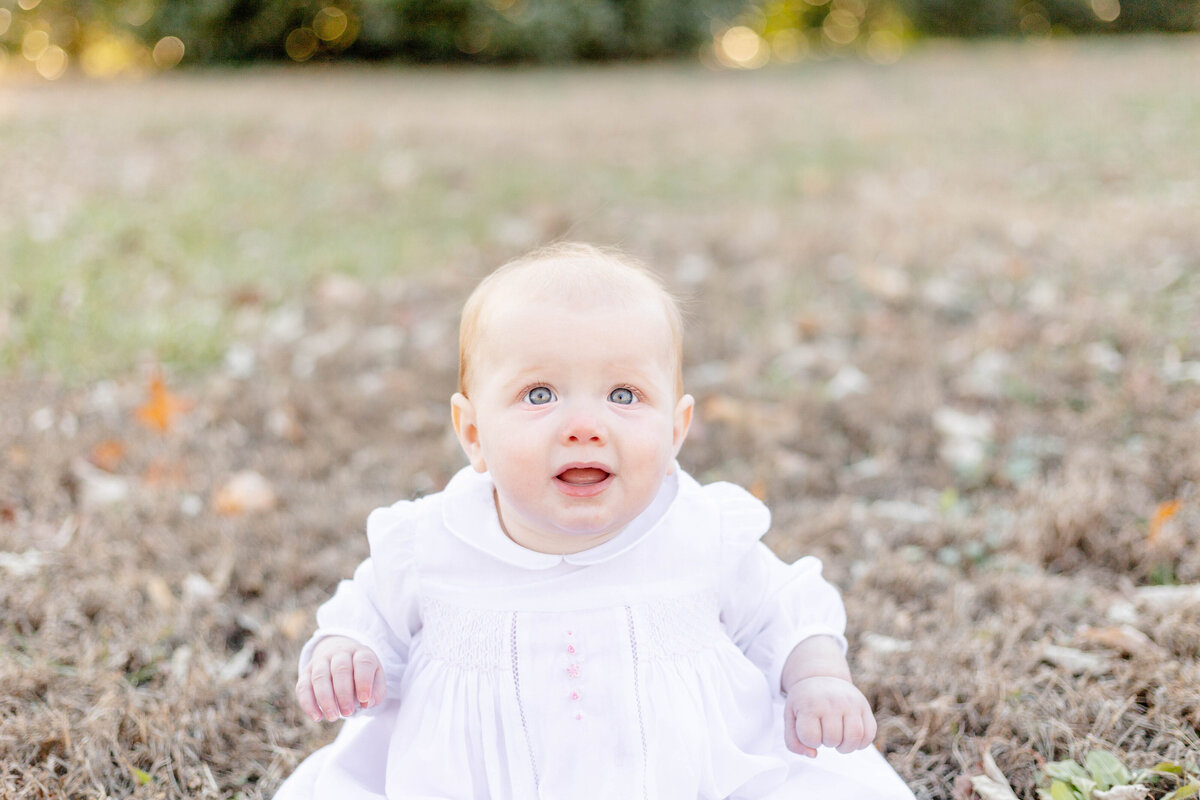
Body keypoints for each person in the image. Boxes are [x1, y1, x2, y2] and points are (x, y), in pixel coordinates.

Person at [275, 243, 916, 799]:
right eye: (540, 394)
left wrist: (817, 678)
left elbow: (786, 610)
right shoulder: (431, 544)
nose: (585, 424)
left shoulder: (701, 531)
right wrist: (345, 652)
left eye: (623, 395)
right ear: (473, 432)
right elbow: (365, 618)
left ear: (675, 429)